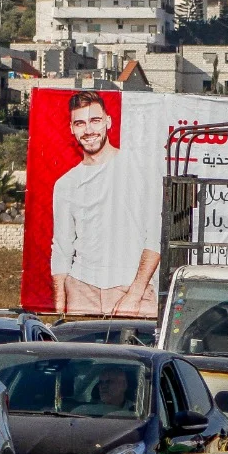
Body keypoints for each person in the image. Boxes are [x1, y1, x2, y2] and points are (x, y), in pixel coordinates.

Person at [49, 91, 161, 318]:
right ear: (71, 128)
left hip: (132, 289)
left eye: (95, 121)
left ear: (108, 122)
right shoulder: (66, 184)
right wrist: (60, 309)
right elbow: (61, 247)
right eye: (80, 123)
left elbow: (156, 235)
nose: (88, 130)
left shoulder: (140, 169)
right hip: (81, 290)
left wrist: (135, 294)